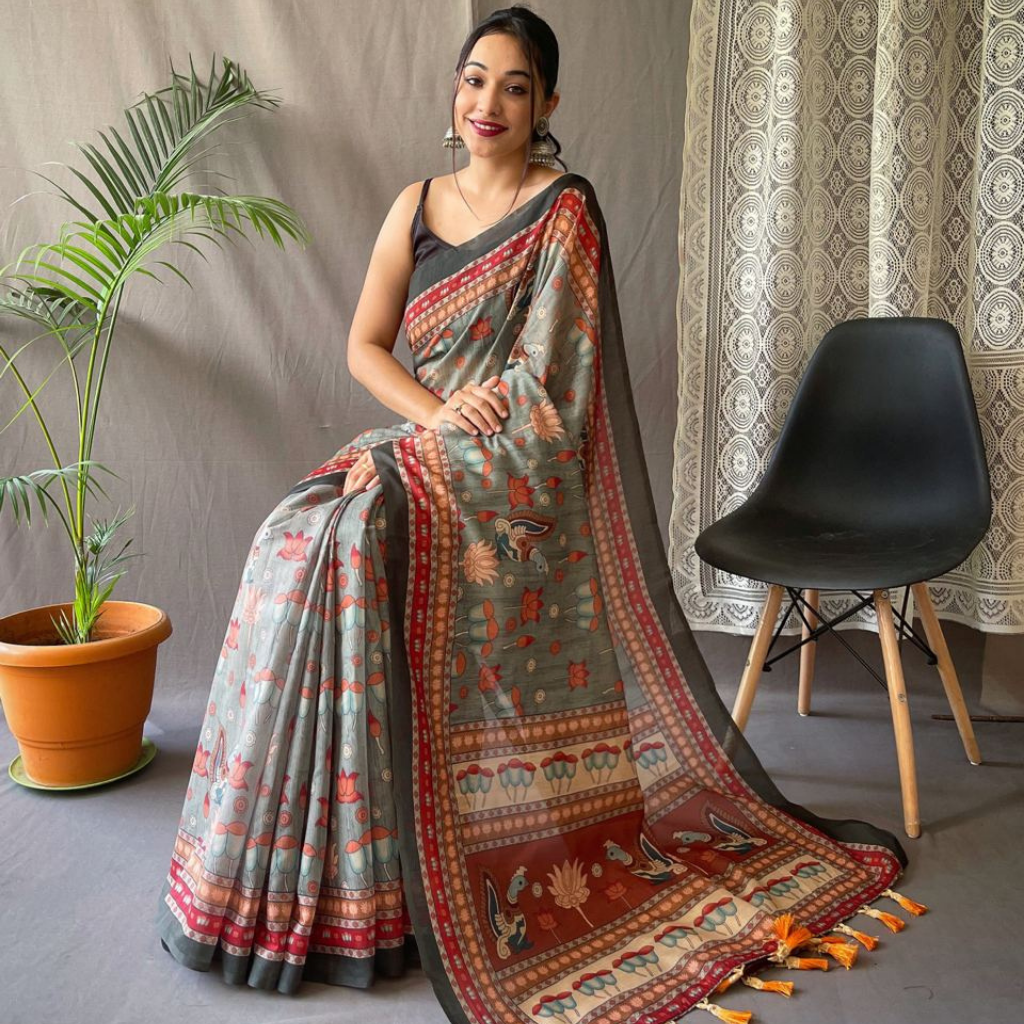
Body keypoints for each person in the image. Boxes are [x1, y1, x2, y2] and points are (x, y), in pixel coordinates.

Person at [156, 6, 928, 1020]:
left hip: (520, 457)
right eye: (475, 79)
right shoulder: (414, 204)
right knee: (294, 538)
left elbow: (555, 385)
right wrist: (436, 417)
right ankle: (326, 873)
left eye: (514, 86)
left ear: (547, 103)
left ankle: (391, 872)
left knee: (358, 530)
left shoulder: (563, 211)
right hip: (431, 435)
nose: (488, 103)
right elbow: (364, 349)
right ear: (455, 91)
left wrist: (470, 430)